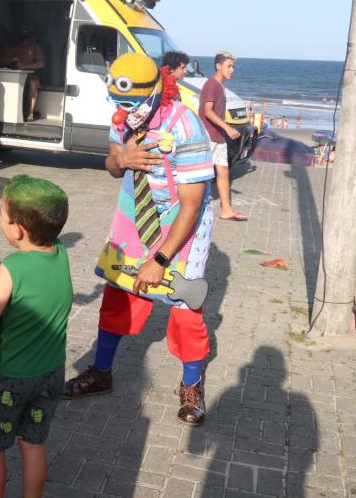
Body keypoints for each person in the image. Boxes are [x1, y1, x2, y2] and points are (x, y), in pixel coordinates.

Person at [63, 53, 215, 427]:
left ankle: (191, 385)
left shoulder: (186, 127)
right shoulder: (123, 118)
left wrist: (159, 260)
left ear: (153, 93)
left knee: (184, 313)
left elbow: (192, 206)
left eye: (130, 104)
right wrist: (124, 158)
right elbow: (113, 166)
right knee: (118, 298)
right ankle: (101, 373)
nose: (121, 112)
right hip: (133, 217)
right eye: (117, 103)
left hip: (181, 222)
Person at [0, 174, 72, 498]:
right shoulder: (60, 252)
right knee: (33, 442)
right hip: (51, 373)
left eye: (1, 213)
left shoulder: (12, 266)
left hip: (13, 378)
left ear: (18, 229)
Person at [198, 51, 247, 221]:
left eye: (233, 66)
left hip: (218, 136)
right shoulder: (211, 85)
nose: (232, 69)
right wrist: (228, 128)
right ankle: (190, 207)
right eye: (229, 66)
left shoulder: (220, 86)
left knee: (223, 171)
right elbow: (208, 112)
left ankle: (226, 209)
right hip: (208, 136)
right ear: (218, 66)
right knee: (201, 173)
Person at [10, 25, 45, 121]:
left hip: (31, 75)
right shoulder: (15, 46)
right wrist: (11, 60)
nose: (24, 33)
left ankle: (30, 113)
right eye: (22, 31)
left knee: (33, 84)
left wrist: (25, 67)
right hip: (15, 75)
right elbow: (4, 60)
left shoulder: (35, 46)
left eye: (26, 31)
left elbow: (41, 64)